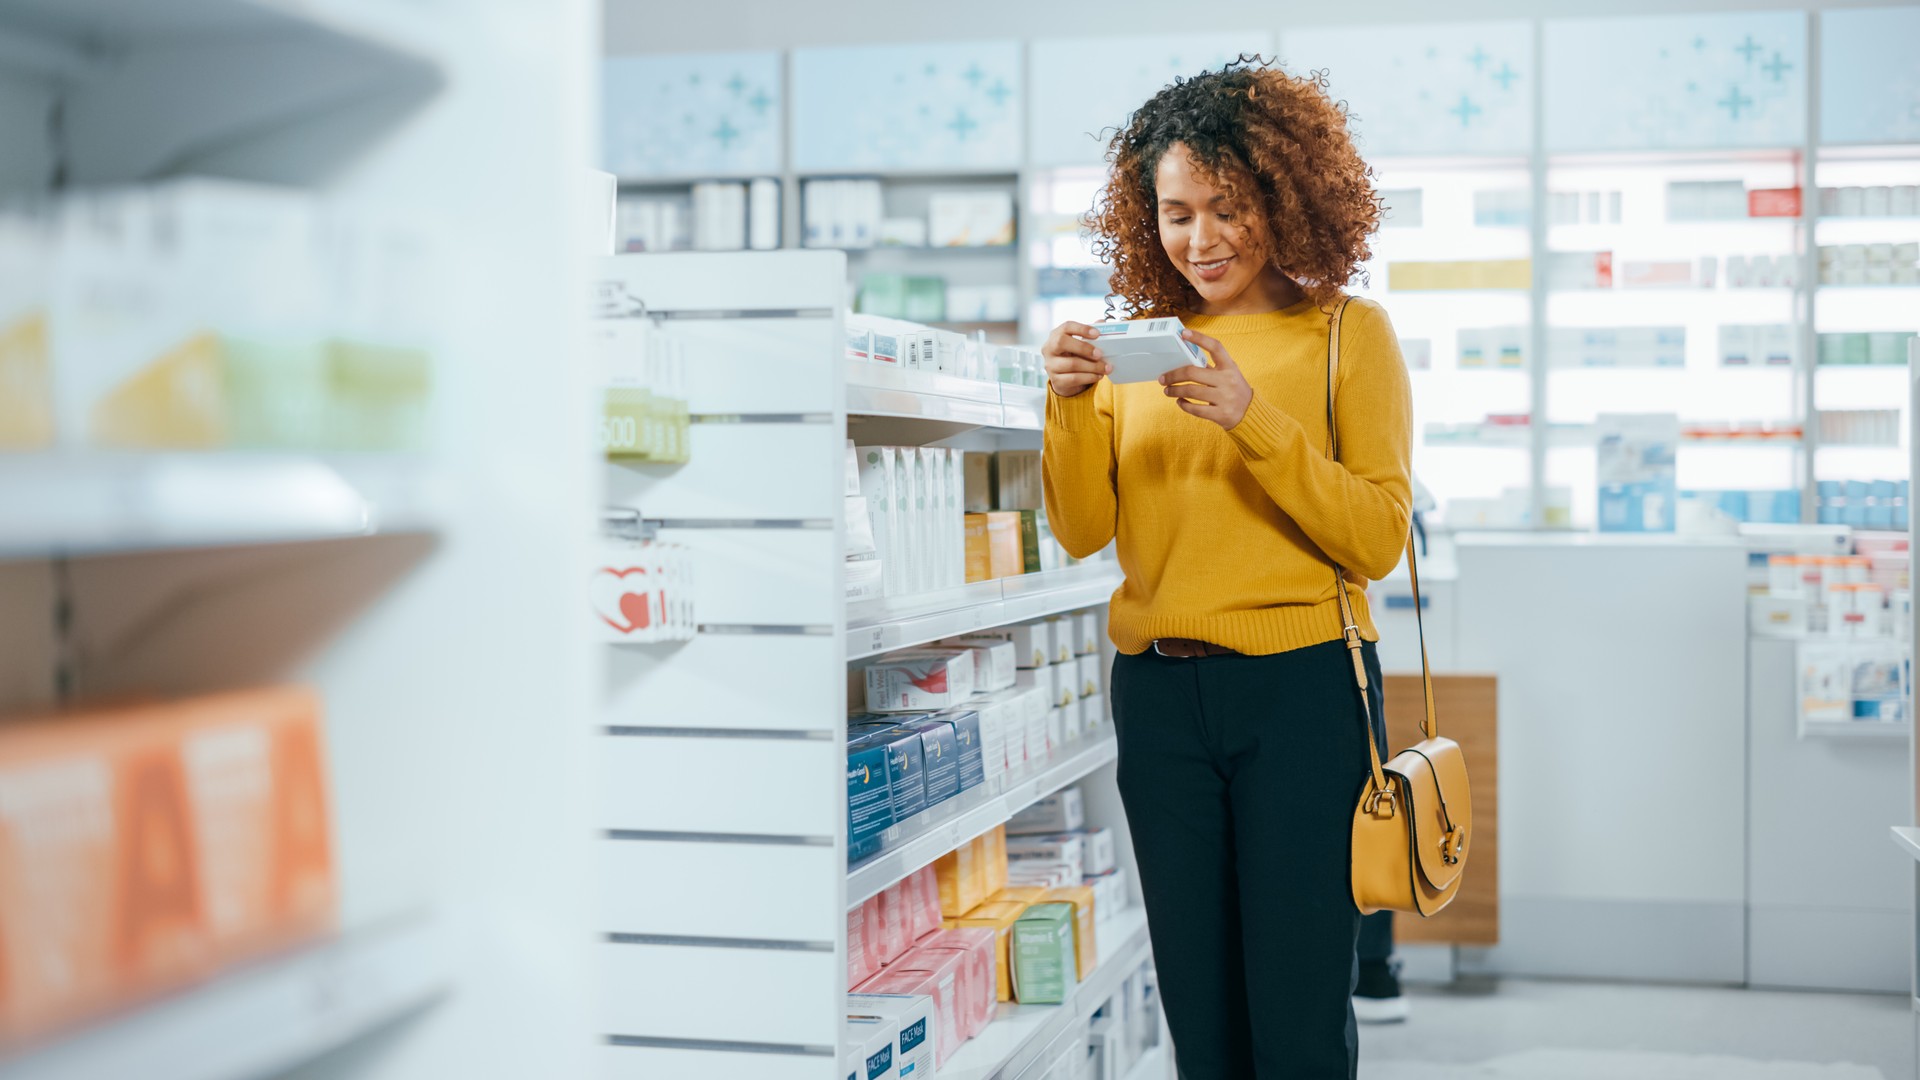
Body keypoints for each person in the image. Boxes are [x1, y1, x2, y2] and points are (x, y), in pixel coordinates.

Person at [1041, 60, 1412, 1078]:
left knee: (1295, 1021)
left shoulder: (1347, 335)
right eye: (1174, 213)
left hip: (1301, 693)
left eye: (1227, 208)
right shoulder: (1135, 355)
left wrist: (1253, 420)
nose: (1200, 240)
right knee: (1201, 1020)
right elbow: (1080, 530)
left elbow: (1376, 534)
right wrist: (1069, 403)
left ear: (1283, 198)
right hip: (1159, 697)